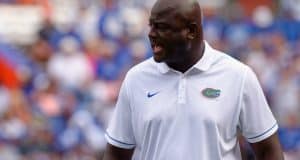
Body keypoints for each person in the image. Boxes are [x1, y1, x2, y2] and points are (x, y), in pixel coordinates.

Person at [102, 0, 284, 159]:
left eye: (162, 27)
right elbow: (116, 153)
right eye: (151, 25)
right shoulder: (136, 79)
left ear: (191, 30)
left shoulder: (238, 76)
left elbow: (268, 150)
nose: (151, 33)